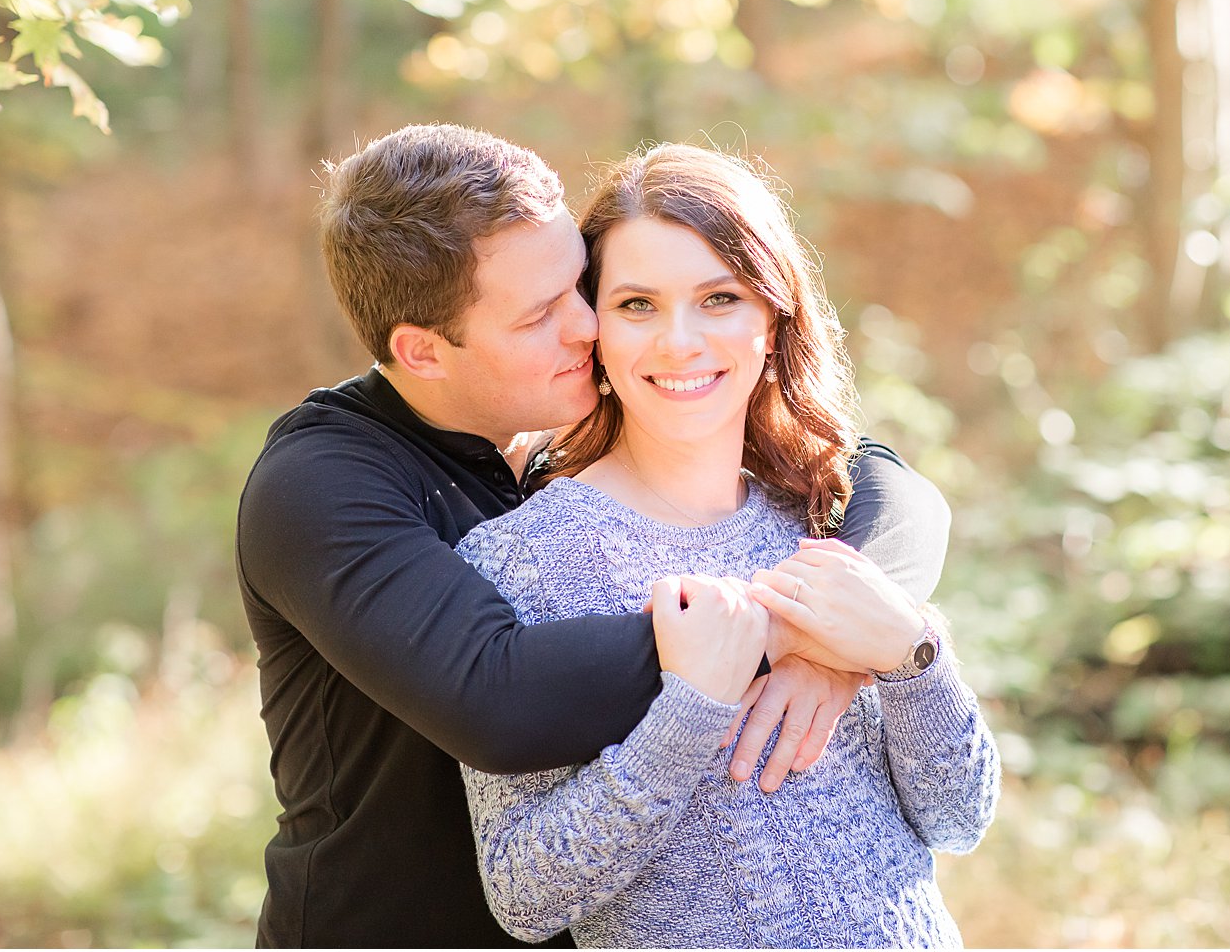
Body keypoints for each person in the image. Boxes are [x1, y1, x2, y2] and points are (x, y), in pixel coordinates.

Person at [236, 124, 954, 947]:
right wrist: (793, 626)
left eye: (581, 286)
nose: (586, 326)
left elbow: (887, 484)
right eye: (542, 314)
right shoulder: (320, 486)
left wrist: (843, 642)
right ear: (423, 352)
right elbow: (496, 697)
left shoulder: (558, 433)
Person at [454, 144, 1000, 948]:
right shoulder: (521, 559)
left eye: (719, 298)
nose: (679, 342)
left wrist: (911, 656)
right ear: (592, 328)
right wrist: (689, 713)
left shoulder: (828, 515)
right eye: (638, 304)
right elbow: (523, 892)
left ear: (773, 320)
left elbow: (958, 818)